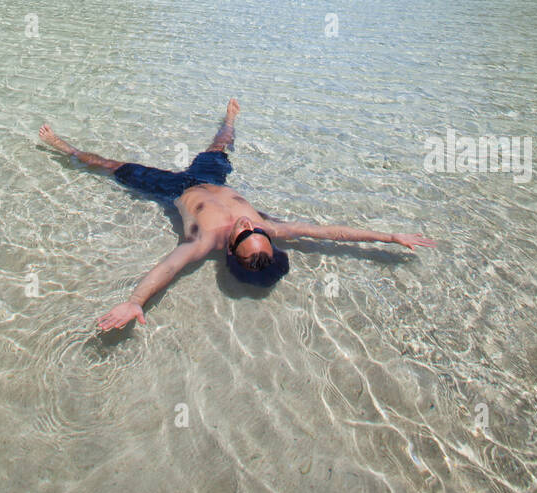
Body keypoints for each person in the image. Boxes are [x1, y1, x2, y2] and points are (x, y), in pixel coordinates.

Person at [38, 99, 436, 332]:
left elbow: (168, 268)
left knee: (108, 165)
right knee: (221, 143)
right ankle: (230, 119)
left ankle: (64, 149)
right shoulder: (268, 227)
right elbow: (331, 232)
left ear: (231, 250)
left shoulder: (203, 242)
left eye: (245, 233)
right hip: (210, 177)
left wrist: (135, 302)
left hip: (175, 189)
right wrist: (389, 237)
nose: (248, 224)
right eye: (254, 228)